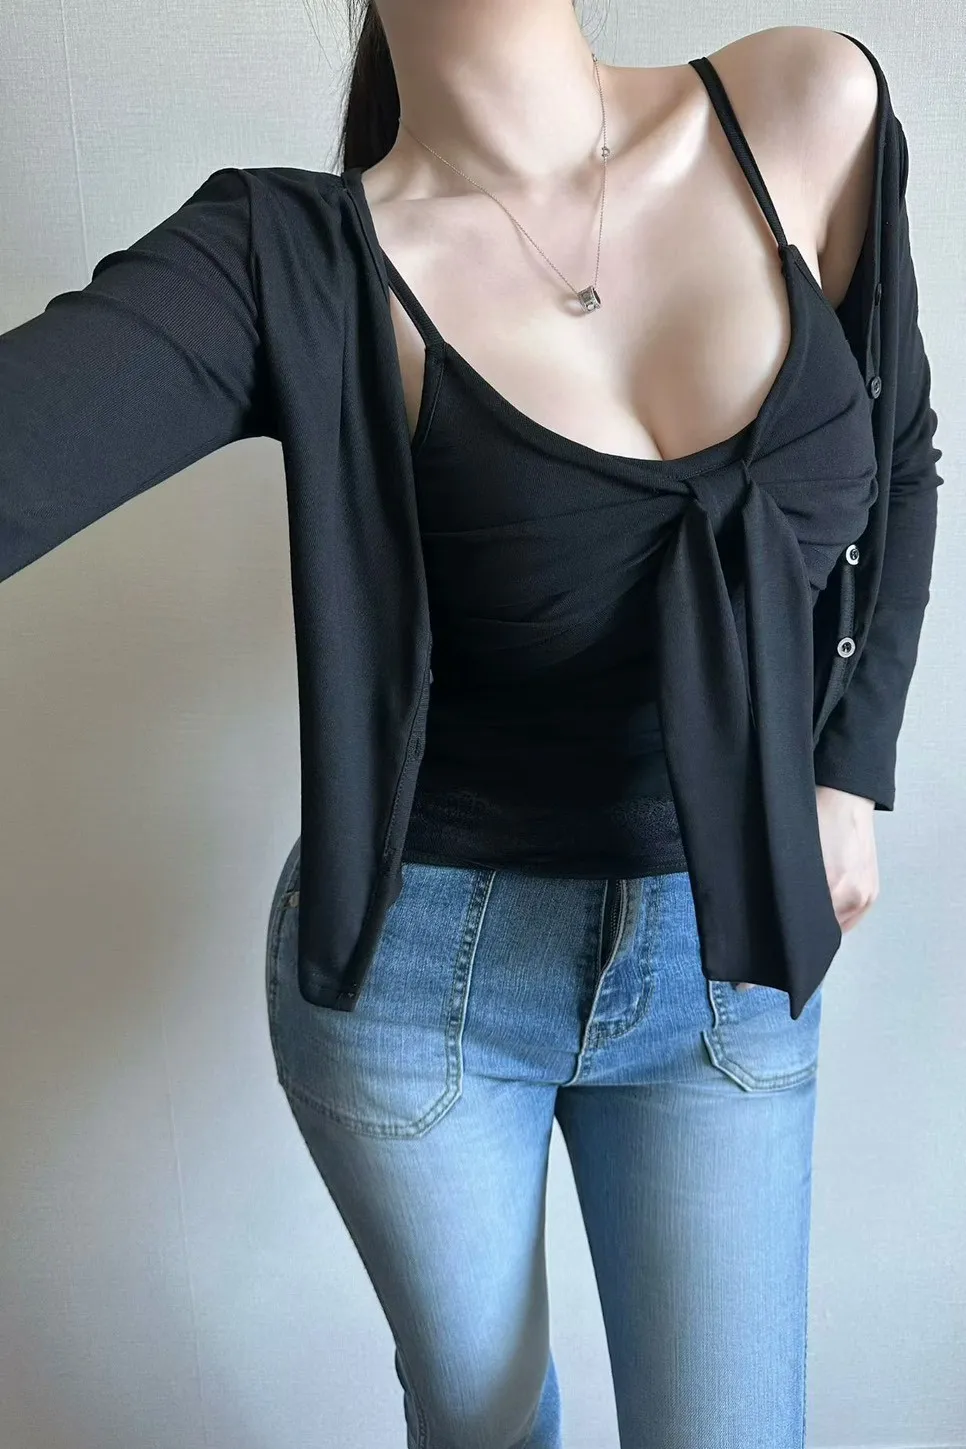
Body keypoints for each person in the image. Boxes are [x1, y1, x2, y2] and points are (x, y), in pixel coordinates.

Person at [1, 4, 943, 1446]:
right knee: (485, 1425)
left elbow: (898, 449)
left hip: (729, 952)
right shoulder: (291, 261)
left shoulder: (806, 106)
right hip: (422, 984)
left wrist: (845, 772)